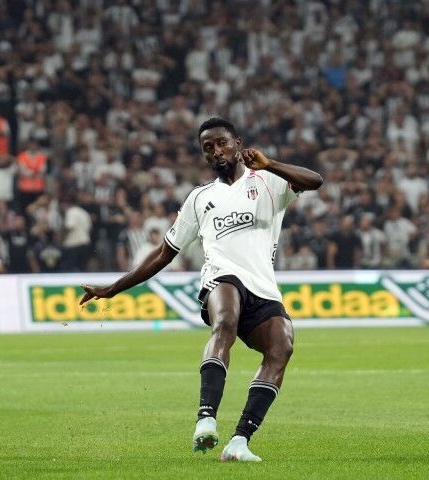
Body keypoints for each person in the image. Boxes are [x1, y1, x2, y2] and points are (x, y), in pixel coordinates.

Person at [79, 117, 323, 462]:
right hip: (221, 277)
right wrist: (113, 288)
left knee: (281, 348)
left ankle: (239, 441)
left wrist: (269, 164)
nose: (216, 151)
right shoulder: (200, 198)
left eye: (222, 143)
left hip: (263, 286)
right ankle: (206, 418)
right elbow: (164, 253)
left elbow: (315, 181)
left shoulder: (268, 181)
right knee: (226, 321)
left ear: (238, 144)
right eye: (208, 147)